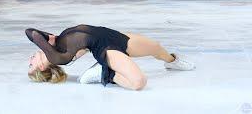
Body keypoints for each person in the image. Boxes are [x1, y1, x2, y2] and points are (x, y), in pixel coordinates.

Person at [25, 24, 195, 90]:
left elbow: (34, 32)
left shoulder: (52, 46)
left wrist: (49, 40)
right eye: (31, 65)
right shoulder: (55, 57)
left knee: (156, 48)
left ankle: (173, 62)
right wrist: (47, 43)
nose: (29, 60)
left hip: (112, 35)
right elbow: (31, 33)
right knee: (138, 83)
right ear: (41, 67)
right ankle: (105, 74)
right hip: (105, 48)